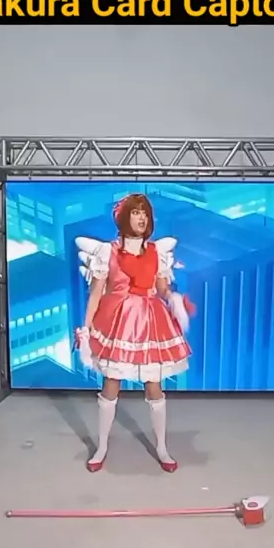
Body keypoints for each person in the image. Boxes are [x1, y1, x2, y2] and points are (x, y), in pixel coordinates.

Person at [74, 192, 195, 473]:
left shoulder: (155, 252)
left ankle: (162, 447)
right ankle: (102, 447)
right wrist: (86, 328)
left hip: (150, 322)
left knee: (154, 385)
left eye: (145, 213)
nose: (141, 217)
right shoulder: (108, 252)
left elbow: (162, 287)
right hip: (117, 321)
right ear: (124, 217)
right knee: (111, 382)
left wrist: (174, 298)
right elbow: (96, 294)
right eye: (136, 212)